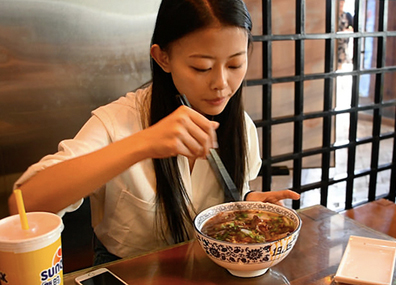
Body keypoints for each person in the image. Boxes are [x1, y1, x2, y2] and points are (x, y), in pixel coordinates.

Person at [8, 0, 300, 265]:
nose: (221, 83)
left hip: (209, 268)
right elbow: (25, 203)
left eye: (235, 64)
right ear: (163, 59)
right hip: (128, 271)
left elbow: (215, 202)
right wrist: (142, 144)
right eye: (202, 67)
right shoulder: (116, 122)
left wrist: (246, 205)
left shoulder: (241, 126)